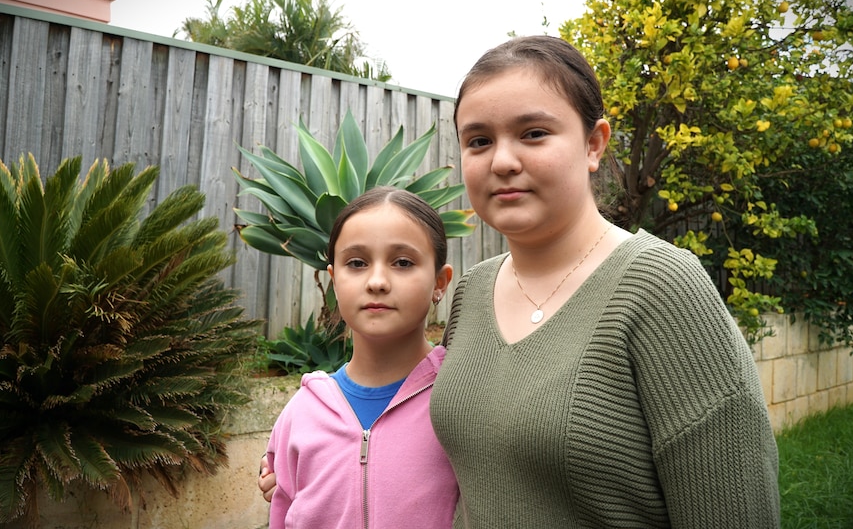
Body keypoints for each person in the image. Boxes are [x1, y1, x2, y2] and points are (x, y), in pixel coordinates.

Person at [428, 35, 780, 528]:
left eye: (533, 133)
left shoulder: (663, 289)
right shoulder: (471, 291)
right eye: (479, 140)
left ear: (594, 145)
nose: (502, 161)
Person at [260, 186, 459, 528]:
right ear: (334, 280)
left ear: (440, 283)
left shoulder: (464, 402)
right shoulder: (302, 413)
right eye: (357, 263)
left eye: (402, 262)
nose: (377, 281)